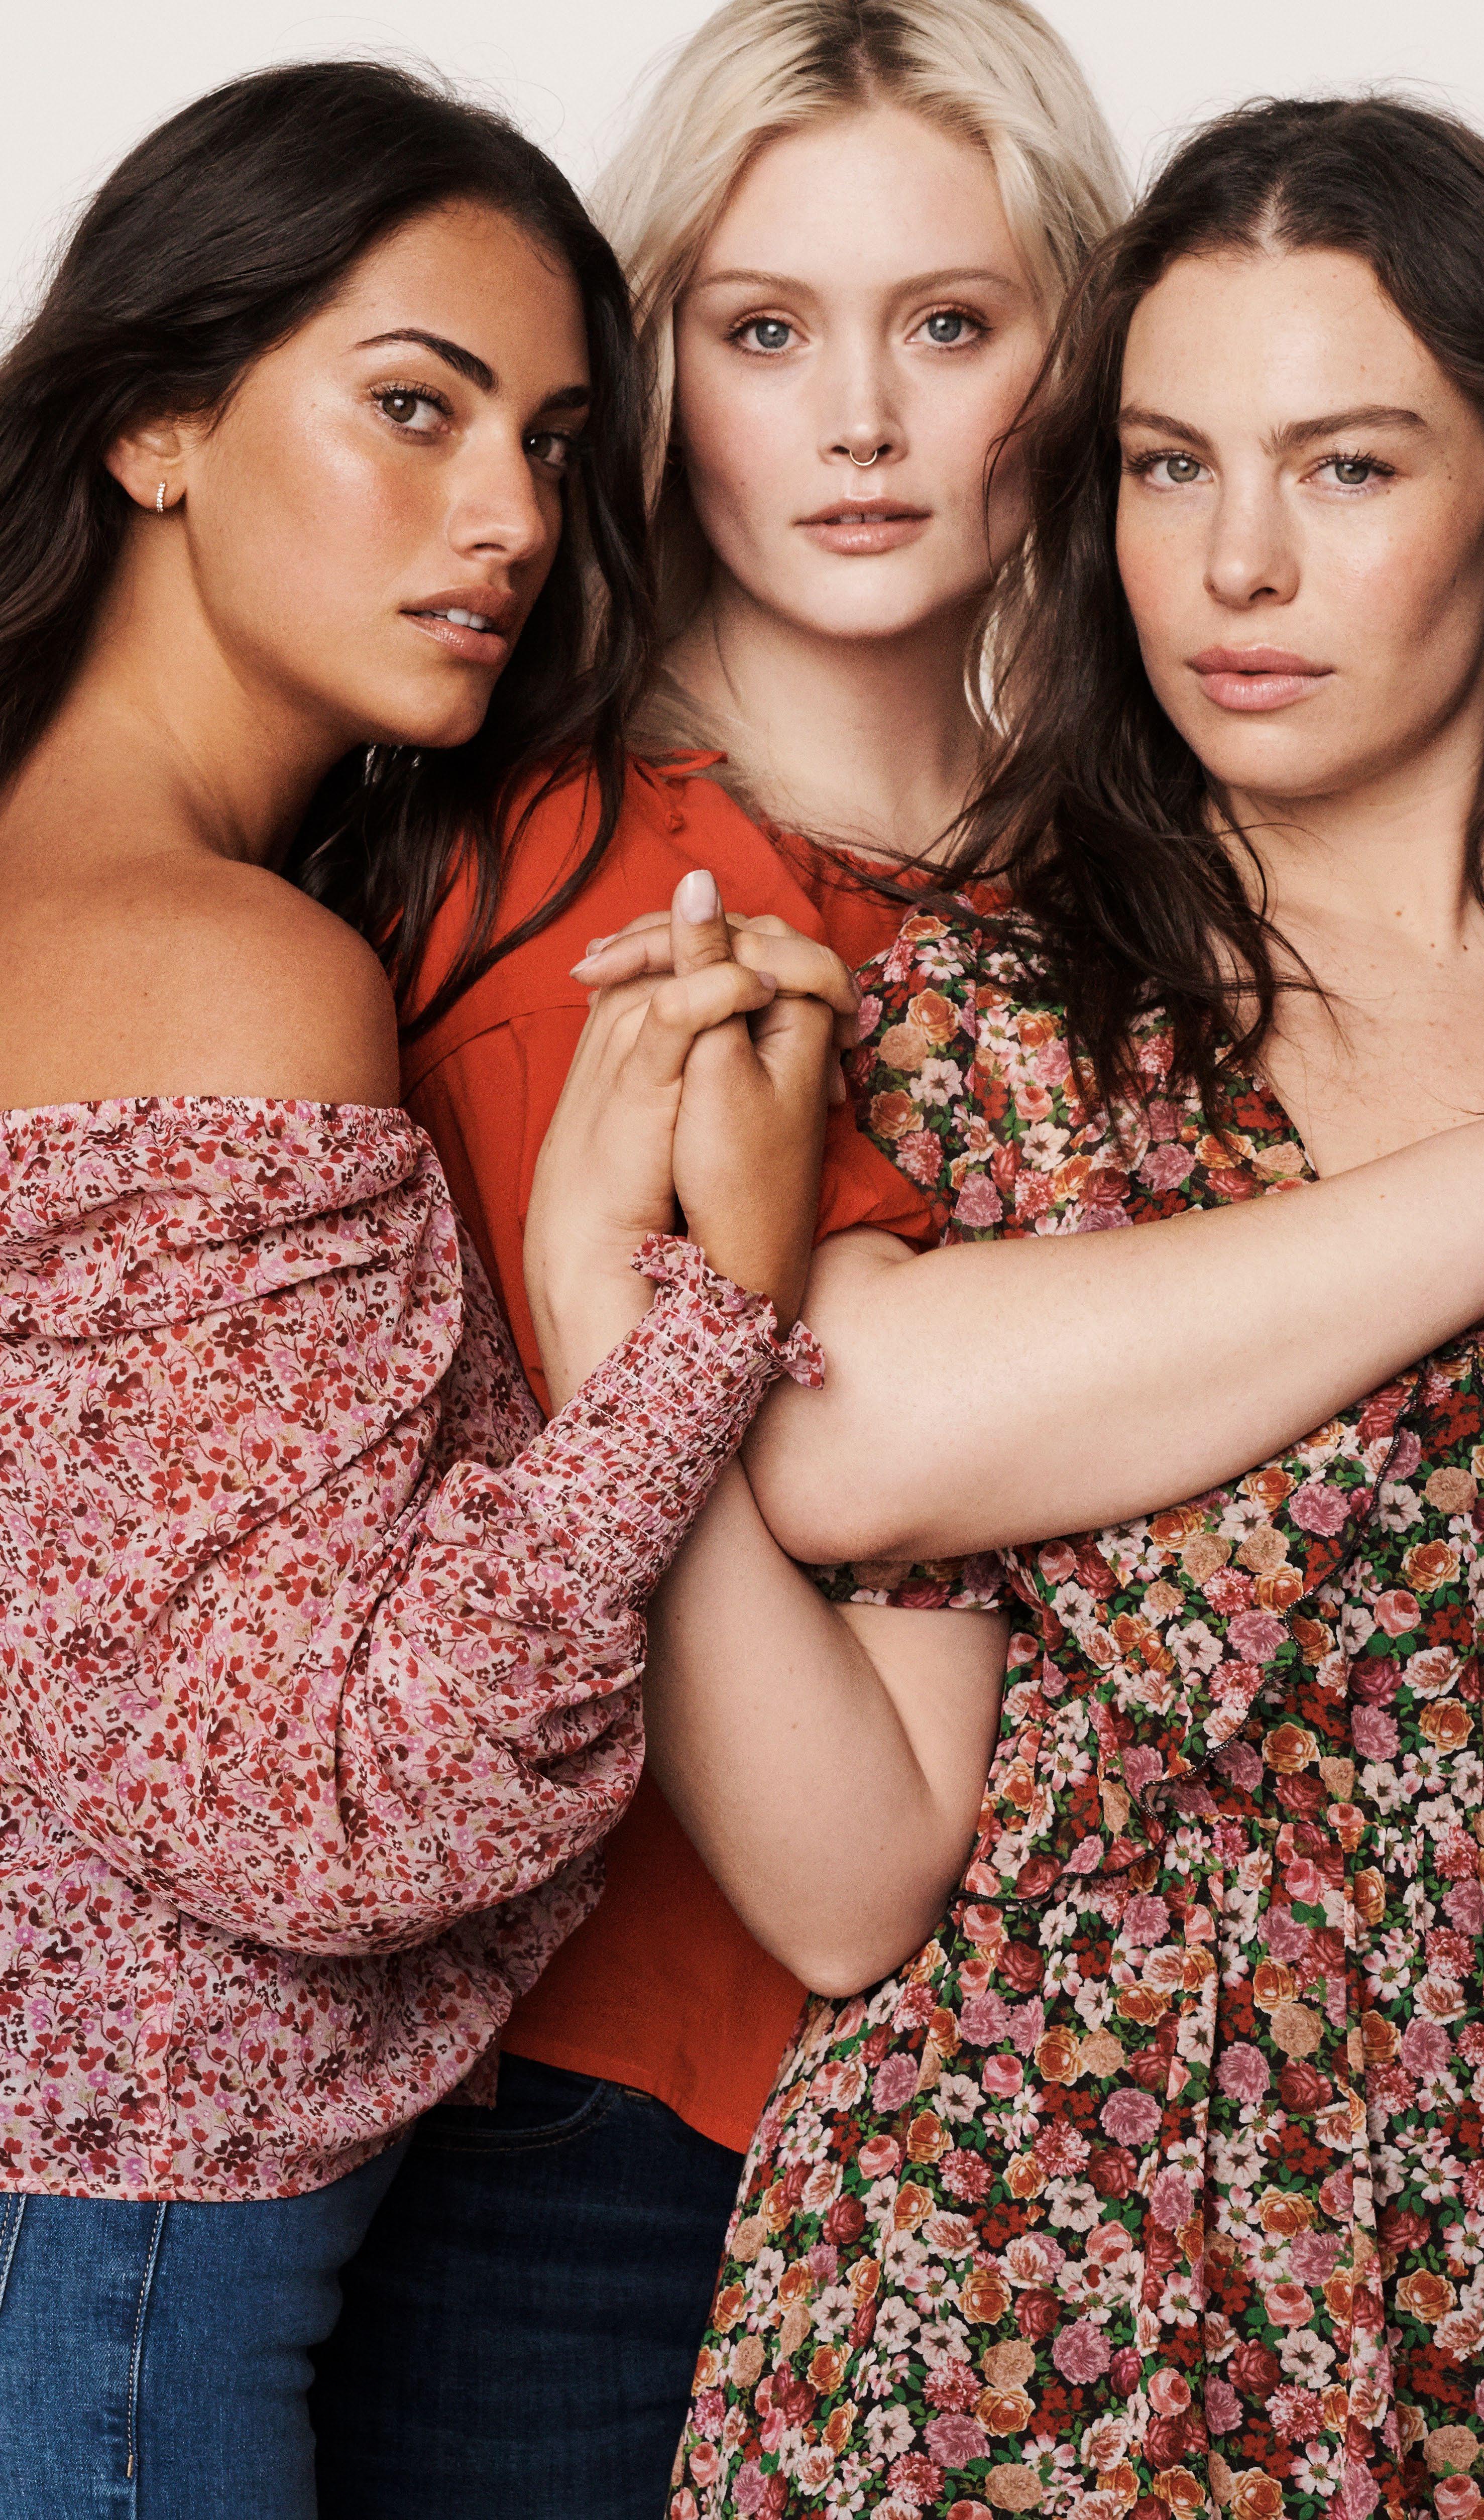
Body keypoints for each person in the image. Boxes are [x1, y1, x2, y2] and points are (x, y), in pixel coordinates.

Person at [644, 96, 1484, 2520]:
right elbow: (853, 1452)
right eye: (1167, 468)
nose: (1235, 564)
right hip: (1045, 2312)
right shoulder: (994, 1009)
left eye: (1345, 466)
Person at [0, 61, 847, 2520]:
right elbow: (338, 1807)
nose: (510, 519)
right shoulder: (214, 964)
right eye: (413, 408)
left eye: (555, 445)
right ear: (157, 421)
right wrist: (697, 1318)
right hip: (121, 2284)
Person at [309, 9, 1124, 2515]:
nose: (860, 420)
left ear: (1079, 355)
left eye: (949, 324)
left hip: (1044, 2157)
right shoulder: (602, 886)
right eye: (766, 331)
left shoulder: (1115, 881)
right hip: (630, 2144)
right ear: (661, 382)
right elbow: (837, 1857)